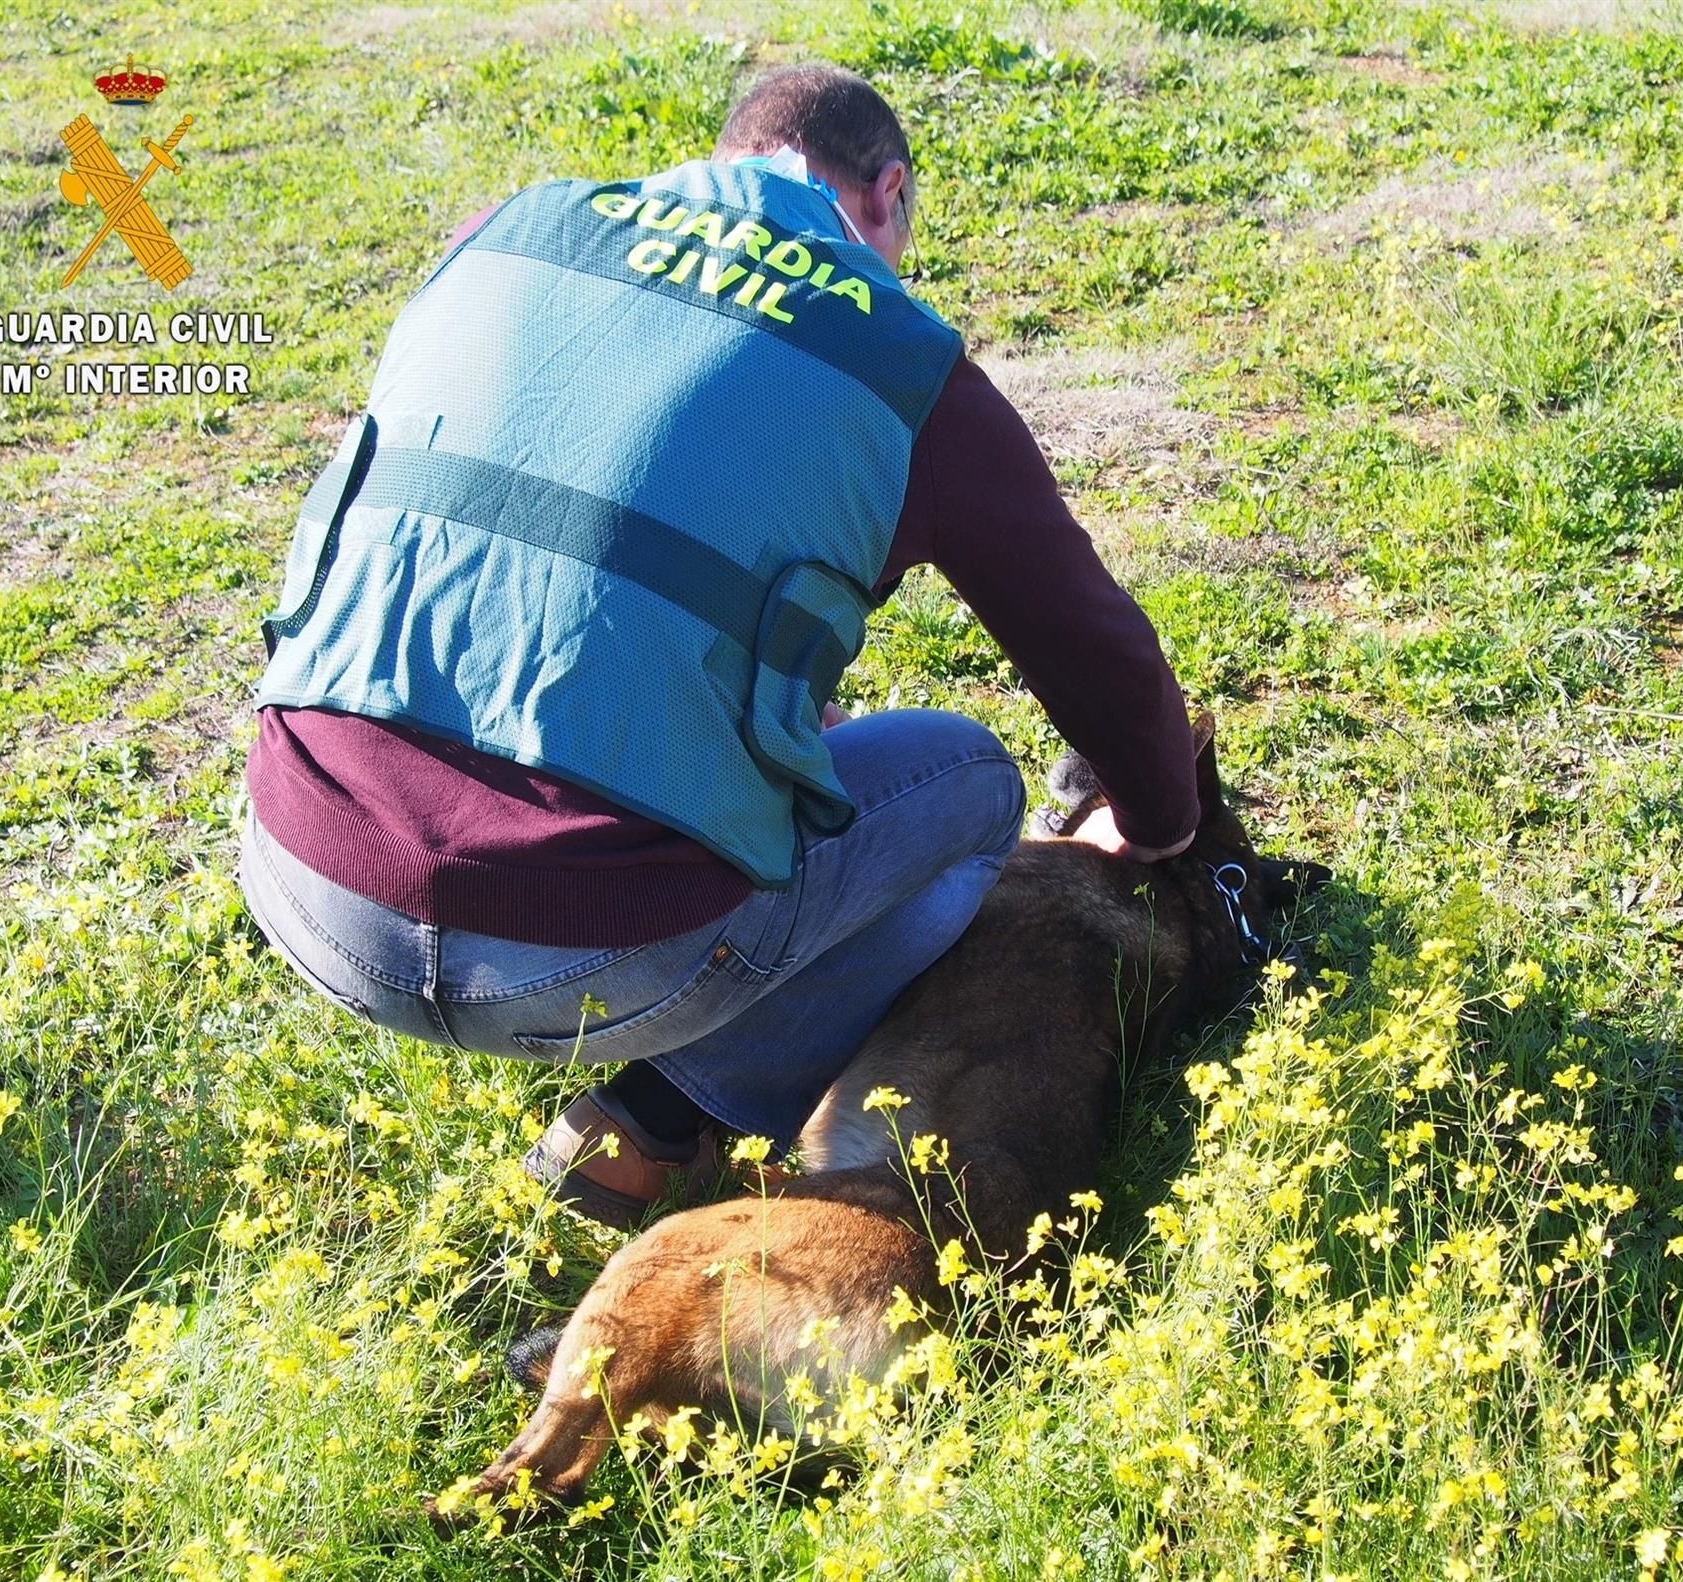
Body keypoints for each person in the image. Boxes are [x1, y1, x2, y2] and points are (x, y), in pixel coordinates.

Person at [238, 63, 1198, 1229]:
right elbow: (1092, 644)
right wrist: (1156, 820)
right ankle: (654, 1122)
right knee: (970, 781)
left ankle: (630, 1111)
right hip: (577, 954)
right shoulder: (895, 356)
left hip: (305, 883)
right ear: (886, 194)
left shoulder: (510, 231)